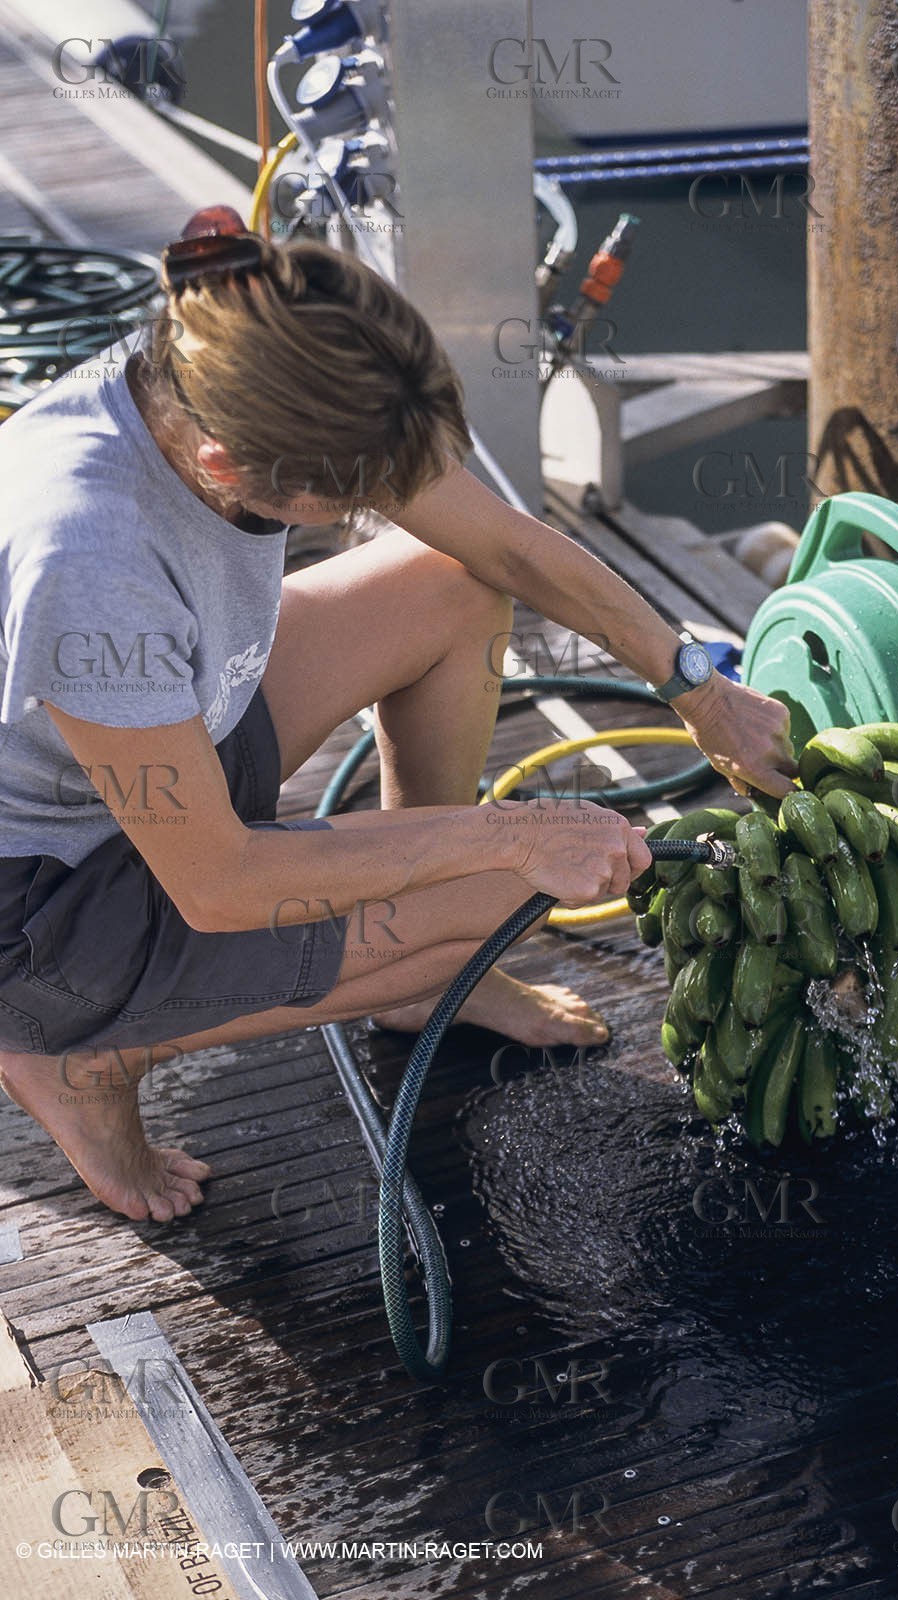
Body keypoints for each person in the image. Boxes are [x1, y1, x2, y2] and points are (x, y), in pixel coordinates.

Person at [0, 213, 795, 1225]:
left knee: (453, 585)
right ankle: (84, 1057)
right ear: (222, 466)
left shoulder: (235, 355)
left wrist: (699, 688)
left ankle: (420, 980)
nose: (393, 499)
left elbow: (507, 548)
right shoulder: (88, 555)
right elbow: (220, 881)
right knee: (501, 885)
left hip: (161, 755)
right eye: (356, 495)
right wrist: (508, 835)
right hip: (42, 902)